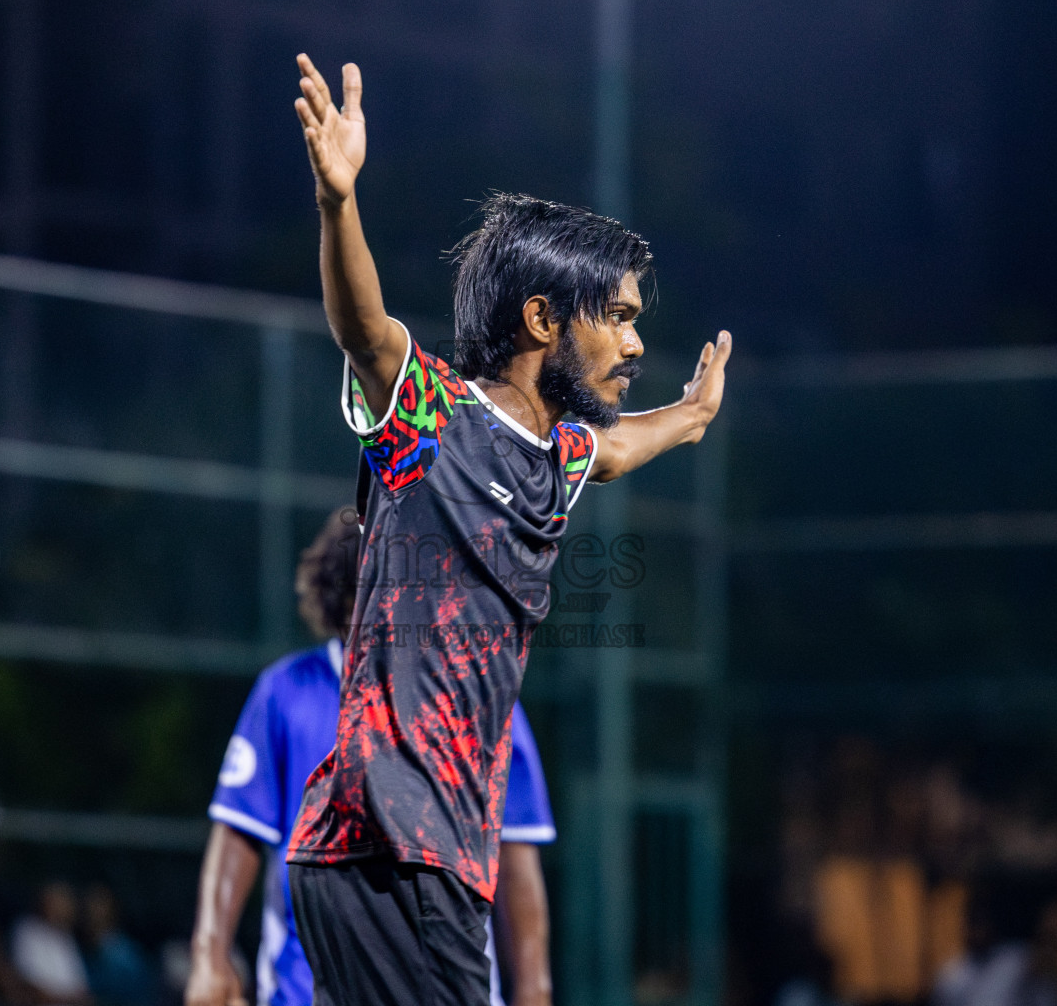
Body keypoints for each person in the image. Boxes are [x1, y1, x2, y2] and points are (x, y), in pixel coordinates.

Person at [284, 54, 731, 1006]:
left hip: (418, 853)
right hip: (392, 845)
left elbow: (613, 451)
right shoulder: (430, 417)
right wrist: (339, 202)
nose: (637, 343)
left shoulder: (556, 457)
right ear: (541, 318)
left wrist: (690, 418)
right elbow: (365, 330)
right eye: (616, 318)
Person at [185, 510, 558, 1006]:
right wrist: (210, 955)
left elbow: (515, 854)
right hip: (310, 986)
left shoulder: (486, 699)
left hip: (448, 983)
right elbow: (239, 830)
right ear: (349, 588)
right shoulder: (288, 692)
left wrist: (535, 986)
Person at [13, 881, 92, 1006]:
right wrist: (69, 998)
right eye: (57, 902)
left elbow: (81, 988)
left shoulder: (65, 937)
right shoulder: (27, 930)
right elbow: (31, 986)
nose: (63, 908)